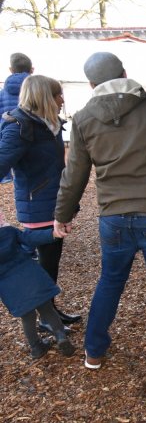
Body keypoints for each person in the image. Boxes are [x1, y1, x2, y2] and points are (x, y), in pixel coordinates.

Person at [53, 52, 146, 390]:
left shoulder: (85, 117)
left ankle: (94, 351)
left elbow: (74, 174)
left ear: (91, 85)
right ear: (124, 73)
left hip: (114, 217)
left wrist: (62, 215)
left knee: (110, 281)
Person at [0, 74, 81, 332]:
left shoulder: (47, 123)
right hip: (39, 207)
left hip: (52, 203)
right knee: (45, 266)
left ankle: (50, 312)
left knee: (51, 263)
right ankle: (46, 317)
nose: (62, 99)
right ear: (45, 97)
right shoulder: (21, 126)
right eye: (58, 94)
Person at [0, 209, 75, 360]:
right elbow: (30, 238)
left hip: (9, 287)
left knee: (27, 317)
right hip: (29, 276)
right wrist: (52, 234)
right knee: (46, 308)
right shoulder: (8, 231)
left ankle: (36, 347)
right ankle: (60, 336)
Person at [0, 53, 34, 184]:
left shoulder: (2, 93)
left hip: (7, 131)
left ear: (10, 69)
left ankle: (7, 177)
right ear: (31, 69)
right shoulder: (36, 90)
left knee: (5, 156)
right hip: (31, 130)